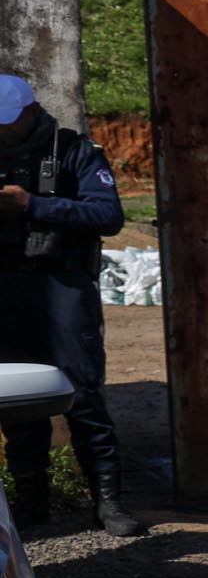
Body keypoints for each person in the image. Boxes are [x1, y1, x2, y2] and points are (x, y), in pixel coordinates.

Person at [0, 75, 141, 536]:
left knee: (82, 392)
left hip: (62, 284)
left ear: (31, 112)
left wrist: (33, 205)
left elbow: (108, 216)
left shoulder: (76, 151)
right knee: (18, 401)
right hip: (8, 288)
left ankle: (108, 504)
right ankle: (31, 501)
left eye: (8, 122)